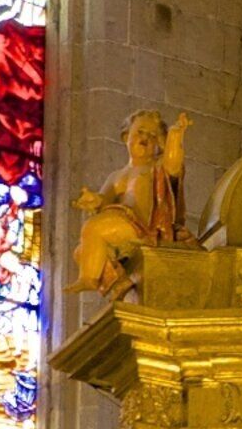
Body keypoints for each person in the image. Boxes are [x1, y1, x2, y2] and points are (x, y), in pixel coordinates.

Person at [70, 109, 191, 297]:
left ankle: (89, 279)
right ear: (126, 135)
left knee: (94, 228)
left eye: (153, 136)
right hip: (120, 224)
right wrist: (94, 200)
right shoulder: (116, 176)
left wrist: (175, 136)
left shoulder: (156, 166)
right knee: (81, 252)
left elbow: (173, 165)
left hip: (142, 227)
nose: (146, 138)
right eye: (140, 132)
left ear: (159, 144)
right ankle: (120, 281)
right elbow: (104, 199)